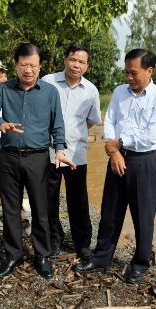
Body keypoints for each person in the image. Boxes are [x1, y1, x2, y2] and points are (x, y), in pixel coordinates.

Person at [73, 48, 156, 284]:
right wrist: (114, 150)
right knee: (110, 211)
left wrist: (121, 143)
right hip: (117, 156)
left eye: (133, 73)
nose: (129, 77)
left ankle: (140, 263)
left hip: (143, 161)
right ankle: (101, 258)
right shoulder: (119, 92)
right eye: (126, 72)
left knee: (143, 216)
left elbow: (152, 135)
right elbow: (111, 122)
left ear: (149, 71)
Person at [0, 43, 75, 280]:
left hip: (37, 158)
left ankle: (41, 255)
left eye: (33, 65)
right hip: (9, 158)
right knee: (10, 209)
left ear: (40, 66)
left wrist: (60, 149)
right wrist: (0, 124)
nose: (28, 70)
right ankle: (13, 254)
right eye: (23, 65)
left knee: (40, 209)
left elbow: (58, 125)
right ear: (15, 65)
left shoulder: (49, 92)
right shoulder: (3, 89)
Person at [41, 44, 101, 260]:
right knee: (49, 199)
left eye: (82, 62)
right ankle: (54, 239)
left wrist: (74, 135)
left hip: (76, 155)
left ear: (87, 66)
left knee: (78, 200)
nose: (76, 65)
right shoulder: (48, 81)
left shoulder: (91, 90)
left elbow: (92, 121)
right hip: (48, 153)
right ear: (65, 59)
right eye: (73, 59)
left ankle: (82, 243)